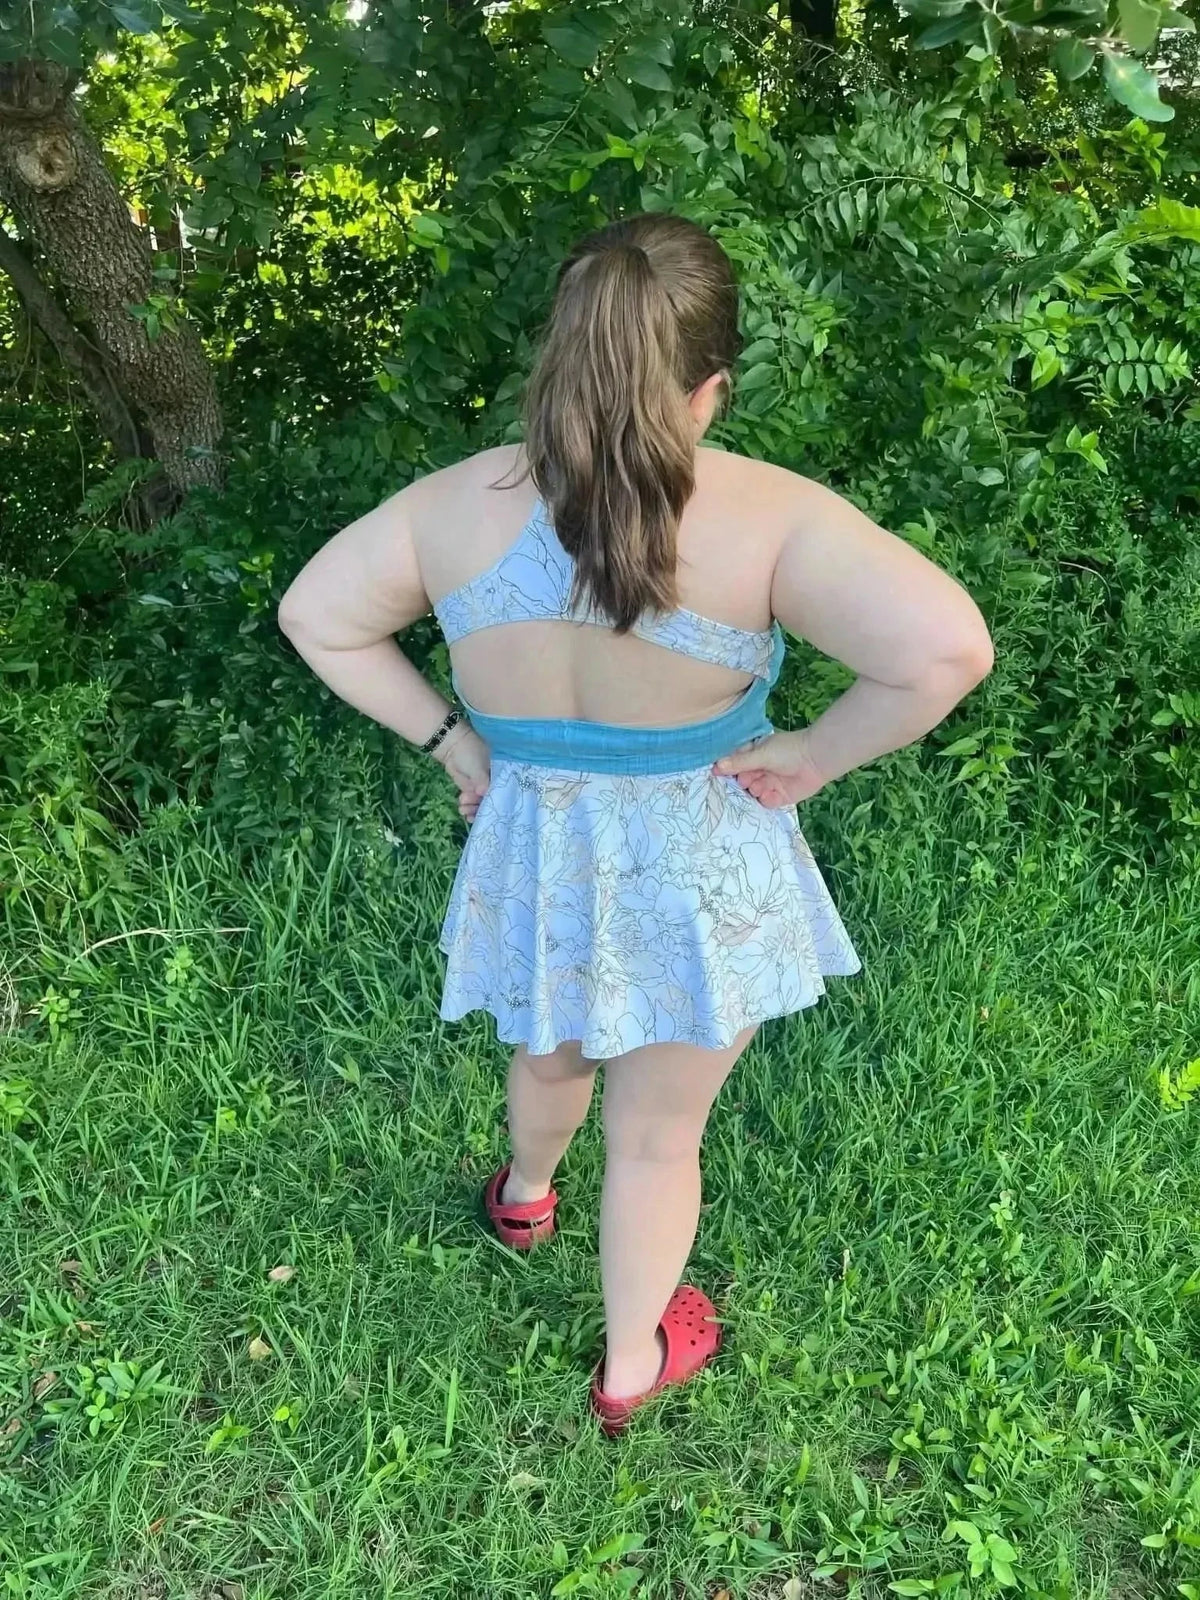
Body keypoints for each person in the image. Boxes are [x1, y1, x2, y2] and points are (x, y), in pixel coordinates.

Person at [277, 212, 993, 1433]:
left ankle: (526, 1193)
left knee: (548, 1047)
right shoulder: (767, 516)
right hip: (699, 855)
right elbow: (947, 650)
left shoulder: (451, 507)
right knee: (658, 1135)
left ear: (557, 361)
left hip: (538, 844)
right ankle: (627, 1365)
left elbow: (317, 615)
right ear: (711, 389)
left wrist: (456, 742)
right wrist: (814, 755)